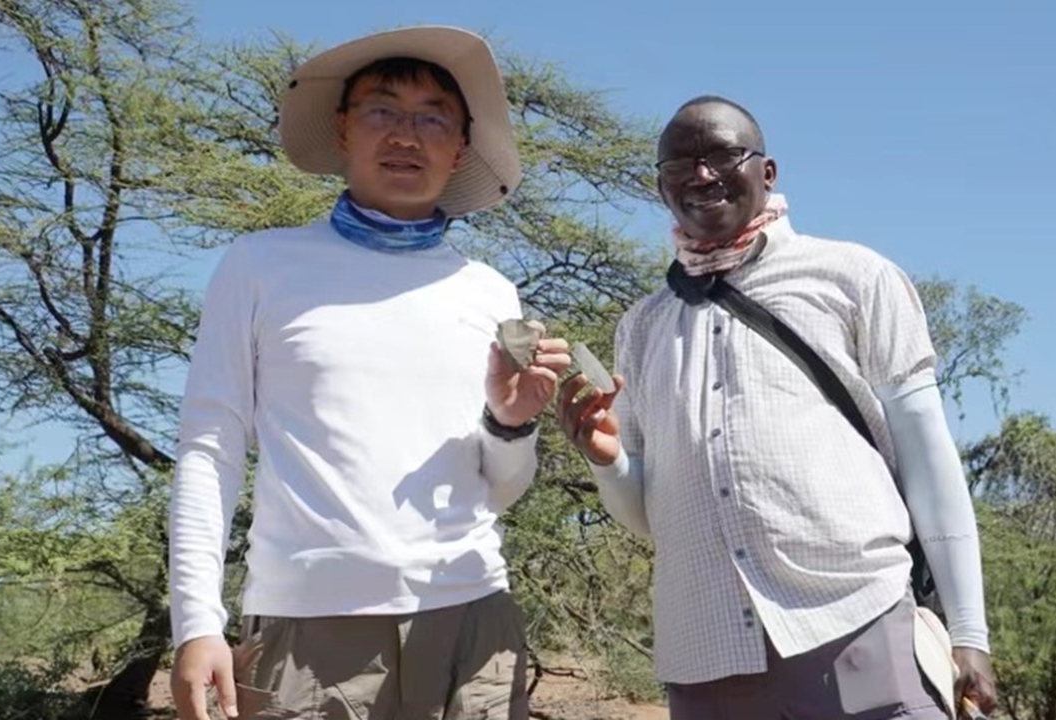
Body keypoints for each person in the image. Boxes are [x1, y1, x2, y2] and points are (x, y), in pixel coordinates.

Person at [167, 26, 569, 720]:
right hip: (310, 628)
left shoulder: (490, 291)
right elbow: (210, 445)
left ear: (461, 148)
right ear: (343, 129)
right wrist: (197, 623)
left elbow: (500, 492)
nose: (406, 136)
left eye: (432, 117)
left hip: (474, 618)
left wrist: (512, 423)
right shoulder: (259, 265)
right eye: (382, 110)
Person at [557, 95, 999, 720]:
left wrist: (969, 633)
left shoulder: (853, 277)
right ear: (660, 187)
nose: (702, 174)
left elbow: (928, 454)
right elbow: (652, 517)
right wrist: (607, 462)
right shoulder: (642, 327)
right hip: (704, 659)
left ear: (767, 173)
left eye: (722, 155)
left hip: (857, 626)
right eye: (680, 164)